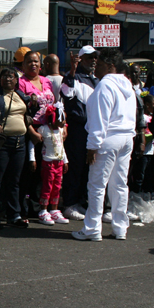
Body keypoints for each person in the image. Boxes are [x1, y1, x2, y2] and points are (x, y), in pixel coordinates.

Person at [71, 48, 135, 242]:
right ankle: (120, 227)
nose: (94, 67)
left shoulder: (105, 86)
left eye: (98, 64)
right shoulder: (127, 85)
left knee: (97, 185)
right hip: (125, 138)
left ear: (110, 66)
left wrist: (92, 147)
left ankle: (92, 228)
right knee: (119, 184)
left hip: (108, 139)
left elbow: (99, 120)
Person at [0, 68, 30, 228]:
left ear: (17, 80)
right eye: (5, 76)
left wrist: (34, 104)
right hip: (2, 143)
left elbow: (28, 113)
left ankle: (14, 214)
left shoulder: (21, 95)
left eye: (11, 76)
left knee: (14, 181)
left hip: (20, 143)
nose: (8, 79)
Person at [61, 45, 99, 219]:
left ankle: (81, 201)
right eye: (89, 58)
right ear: (81, 59)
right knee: (75, 167)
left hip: (91, 129)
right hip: (77, 130)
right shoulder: (73, 77)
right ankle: (69, 204)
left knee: (87, 167)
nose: (93, 61)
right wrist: (72, 71)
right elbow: (67, 95)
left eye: (94, 58)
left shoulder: (97, 80)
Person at [32, 103, 69, 226]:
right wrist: (32, 158)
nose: (64, 122)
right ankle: (43, 210)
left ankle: (54, 209)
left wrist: (65, 160)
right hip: (48, 163)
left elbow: (61, 146)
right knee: (47, 186)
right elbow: (33, 143)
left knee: (57, 186)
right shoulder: (43, 129)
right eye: (61, 119)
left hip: (59, 162)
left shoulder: (60, 130)